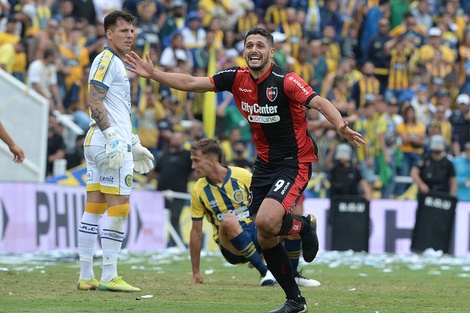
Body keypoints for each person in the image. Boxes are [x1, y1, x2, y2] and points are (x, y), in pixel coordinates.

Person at [125, 27, 364, 313]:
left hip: (294, 161)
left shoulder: (286, 80)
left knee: (265, 221)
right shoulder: (235, 78)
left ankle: (303, 227)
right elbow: (191, 82)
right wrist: (154, 75)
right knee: (265, 236)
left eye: (260, 45)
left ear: (271, 52)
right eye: (249, 44)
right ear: (243, 50)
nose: (254, 49)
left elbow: (320, 102)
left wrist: (339, 124)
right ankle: (295, 300)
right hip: (264, 164)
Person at [76, 11, 154, 293]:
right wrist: (114, 138)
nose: (129, 35)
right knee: (119, 209)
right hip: (108, 142)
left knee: (94, 208)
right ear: (109, 34)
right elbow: (94, 98)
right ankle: (109, 275)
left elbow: (116, 107)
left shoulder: (114, 62)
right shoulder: (107, 60)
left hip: (100, 140)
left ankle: (86, 276)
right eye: (123, 30)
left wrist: (132, 141)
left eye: (132, 30)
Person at [189, 138, 276, 286]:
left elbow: (264, 207)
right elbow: (196, 232)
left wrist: (262, 243)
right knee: (229, 220)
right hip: (231, 248)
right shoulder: (199, 190)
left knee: (285, 219)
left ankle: (293, 275)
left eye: (196, 161)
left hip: (254, 233)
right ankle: (264, 272)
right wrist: (196, 272)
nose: (193, 166)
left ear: (211, 161)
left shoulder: (243, 176)